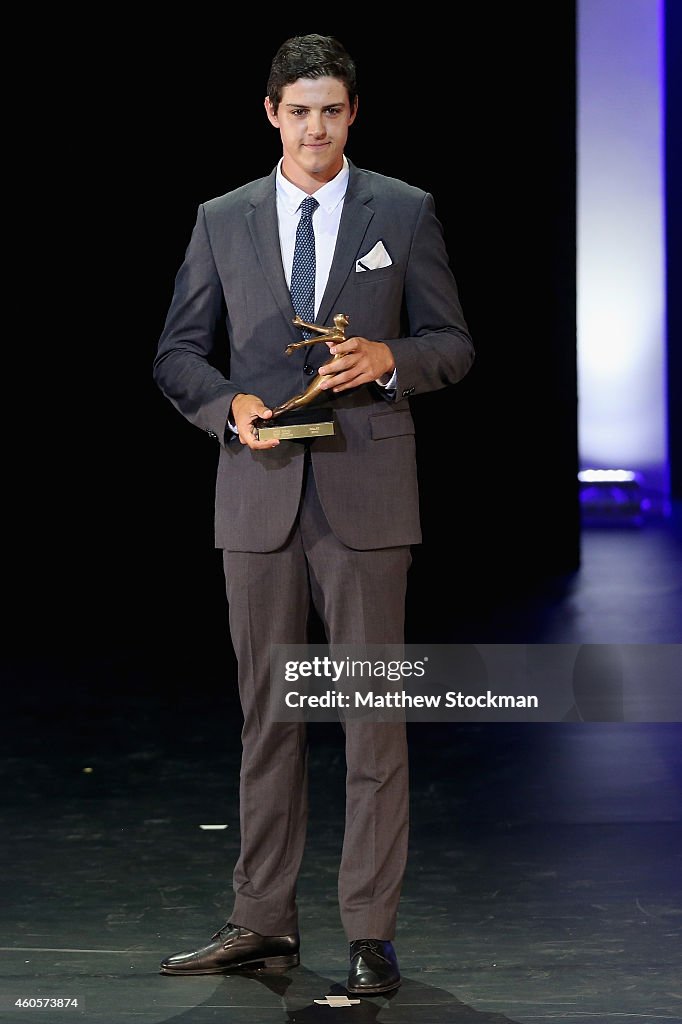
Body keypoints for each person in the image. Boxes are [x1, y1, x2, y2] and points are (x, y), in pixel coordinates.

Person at [153, 32, 474, 997]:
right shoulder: (223, 218)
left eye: (332, 110)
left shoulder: (403, 211)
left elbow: (452, 343)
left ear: (352, 115)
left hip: (367, 495)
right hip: (256, 494)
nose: (316, 127)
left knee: (373, 717)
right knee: (269, 717)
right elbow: (177, 354)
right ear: (270, 114)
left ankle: (370, 933)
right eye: (299, 111)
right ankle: (262, 922)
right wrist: (226, 408)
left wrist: (389, 360)